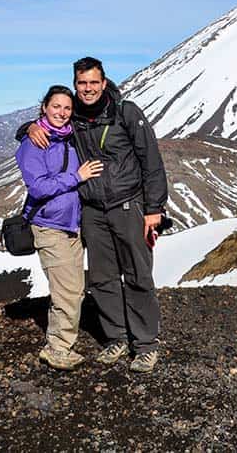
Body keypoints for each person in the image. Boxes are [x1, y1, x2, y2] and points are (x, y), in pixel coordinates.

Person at [25, 57, 168, 373]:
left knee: (137, 275)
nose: (87, 89)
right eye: (82, 83)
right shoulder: (74, 114)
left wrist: (154, 208)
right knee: (102, 278)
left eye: (93, 82)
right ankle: (116, 337)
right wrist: (29, 127)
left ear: (104, 83)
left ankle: (145, 345)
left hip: (128, 206)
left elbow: (151, 161)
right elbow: (52, 122)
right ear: (76, 85)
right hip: (92, 210)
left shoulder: (125, 112)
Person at [15, 85, 104, 371]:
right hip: (49, 225)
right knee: (66, 290)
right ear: (44, 107)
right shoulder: (34, 144)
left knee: (75, 289)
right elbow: (38, 187)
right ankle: (57, 348)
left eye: (67, 108)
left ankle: (63, 340)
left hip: (72, 225)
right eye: (56, 107)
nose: (62, 113)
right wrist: (75, 177)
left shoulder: (69, 137)